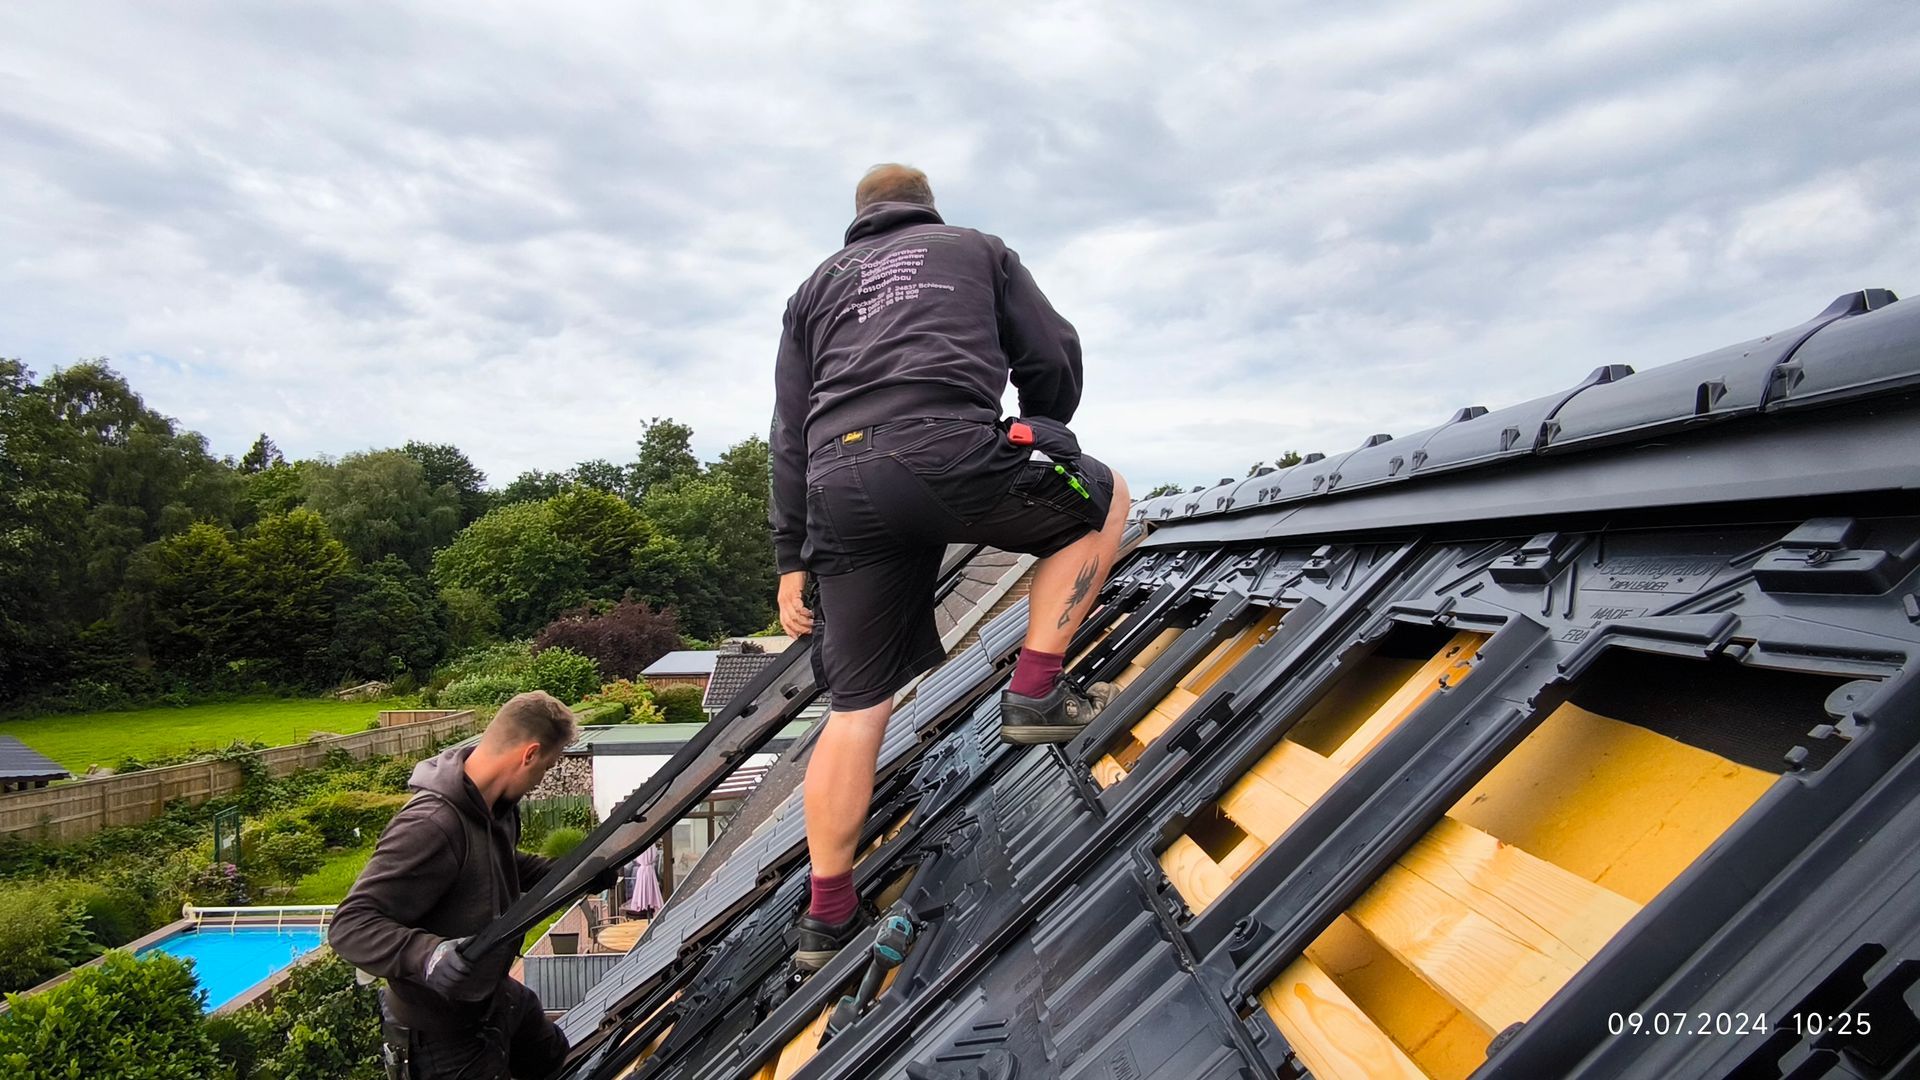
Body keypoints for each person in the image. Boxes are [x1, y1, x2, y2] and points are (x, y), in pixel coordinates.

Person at [769, 164, 1131, 970]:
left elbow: (788, 431)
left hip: (839, 484)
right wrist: (1042, 425)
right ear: (926, 207)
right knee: (1105, 496)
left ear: (858, 218)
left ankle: (825, 920)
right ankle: (1036, 689)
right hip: (945, 447)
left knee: (856, 706)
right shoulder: (975, 249)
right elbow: (1053, 353)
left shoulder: (812, 292)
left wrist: (792, 557)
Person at [331, 691, 590, 1079]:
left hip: (492, 997)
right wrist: (429, 954)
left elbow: (499, 865)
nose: (541, 781)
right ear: (529, 754)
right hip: (438, 1031)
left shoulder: (497, 808)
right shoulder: (431, 825)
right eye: (547, 767)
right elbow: (350, 924)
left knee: (556, 1058)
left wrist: (574, 872)